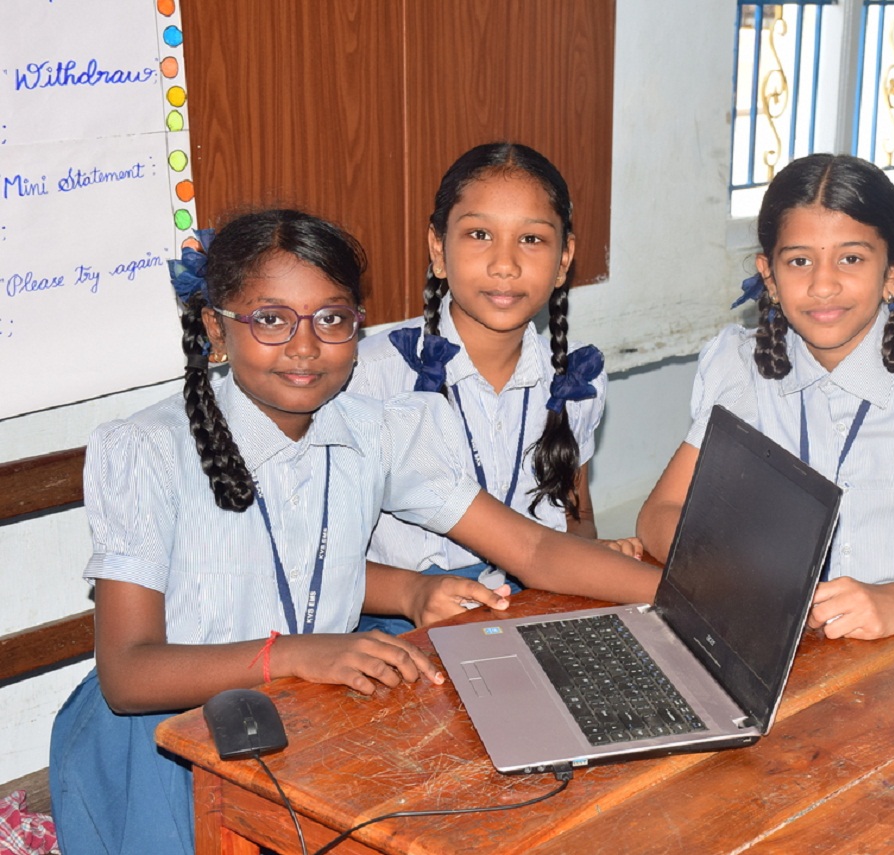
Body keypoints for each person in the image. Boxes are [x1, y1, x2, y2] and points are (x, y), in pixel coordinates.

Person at [49, 209, 660, 855]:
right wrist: (295, 653)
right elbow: (128, 674)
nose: (305, 346)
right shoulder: (147, 450)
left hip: (307, 708)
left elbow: (531, 546)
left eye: (331, 319)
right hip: (166, 743)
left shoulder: (378, 430)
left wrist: (686, 596)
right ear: (215, 329)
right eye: (271, 319)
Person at [636, 154, 894, 641]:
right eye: (799, 261)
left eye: (851, 258)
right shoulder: (739, 365)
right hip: (786, 637)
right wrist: (738, 572)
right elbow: (659, 515)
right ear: (769, 277)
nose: (823, 285)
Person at [349, 142, 640, 632]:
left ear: (564, 259)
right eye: (480, 234)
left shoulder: (577, 376)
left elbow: (577, 517)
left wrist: (591, 556)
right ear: (438, 249)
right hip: (404, 619)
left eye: (532, 239)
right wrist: (410, 593)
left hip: (536, 603)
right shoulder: (371, 376)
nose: (505, 264)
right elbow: (316, 562)